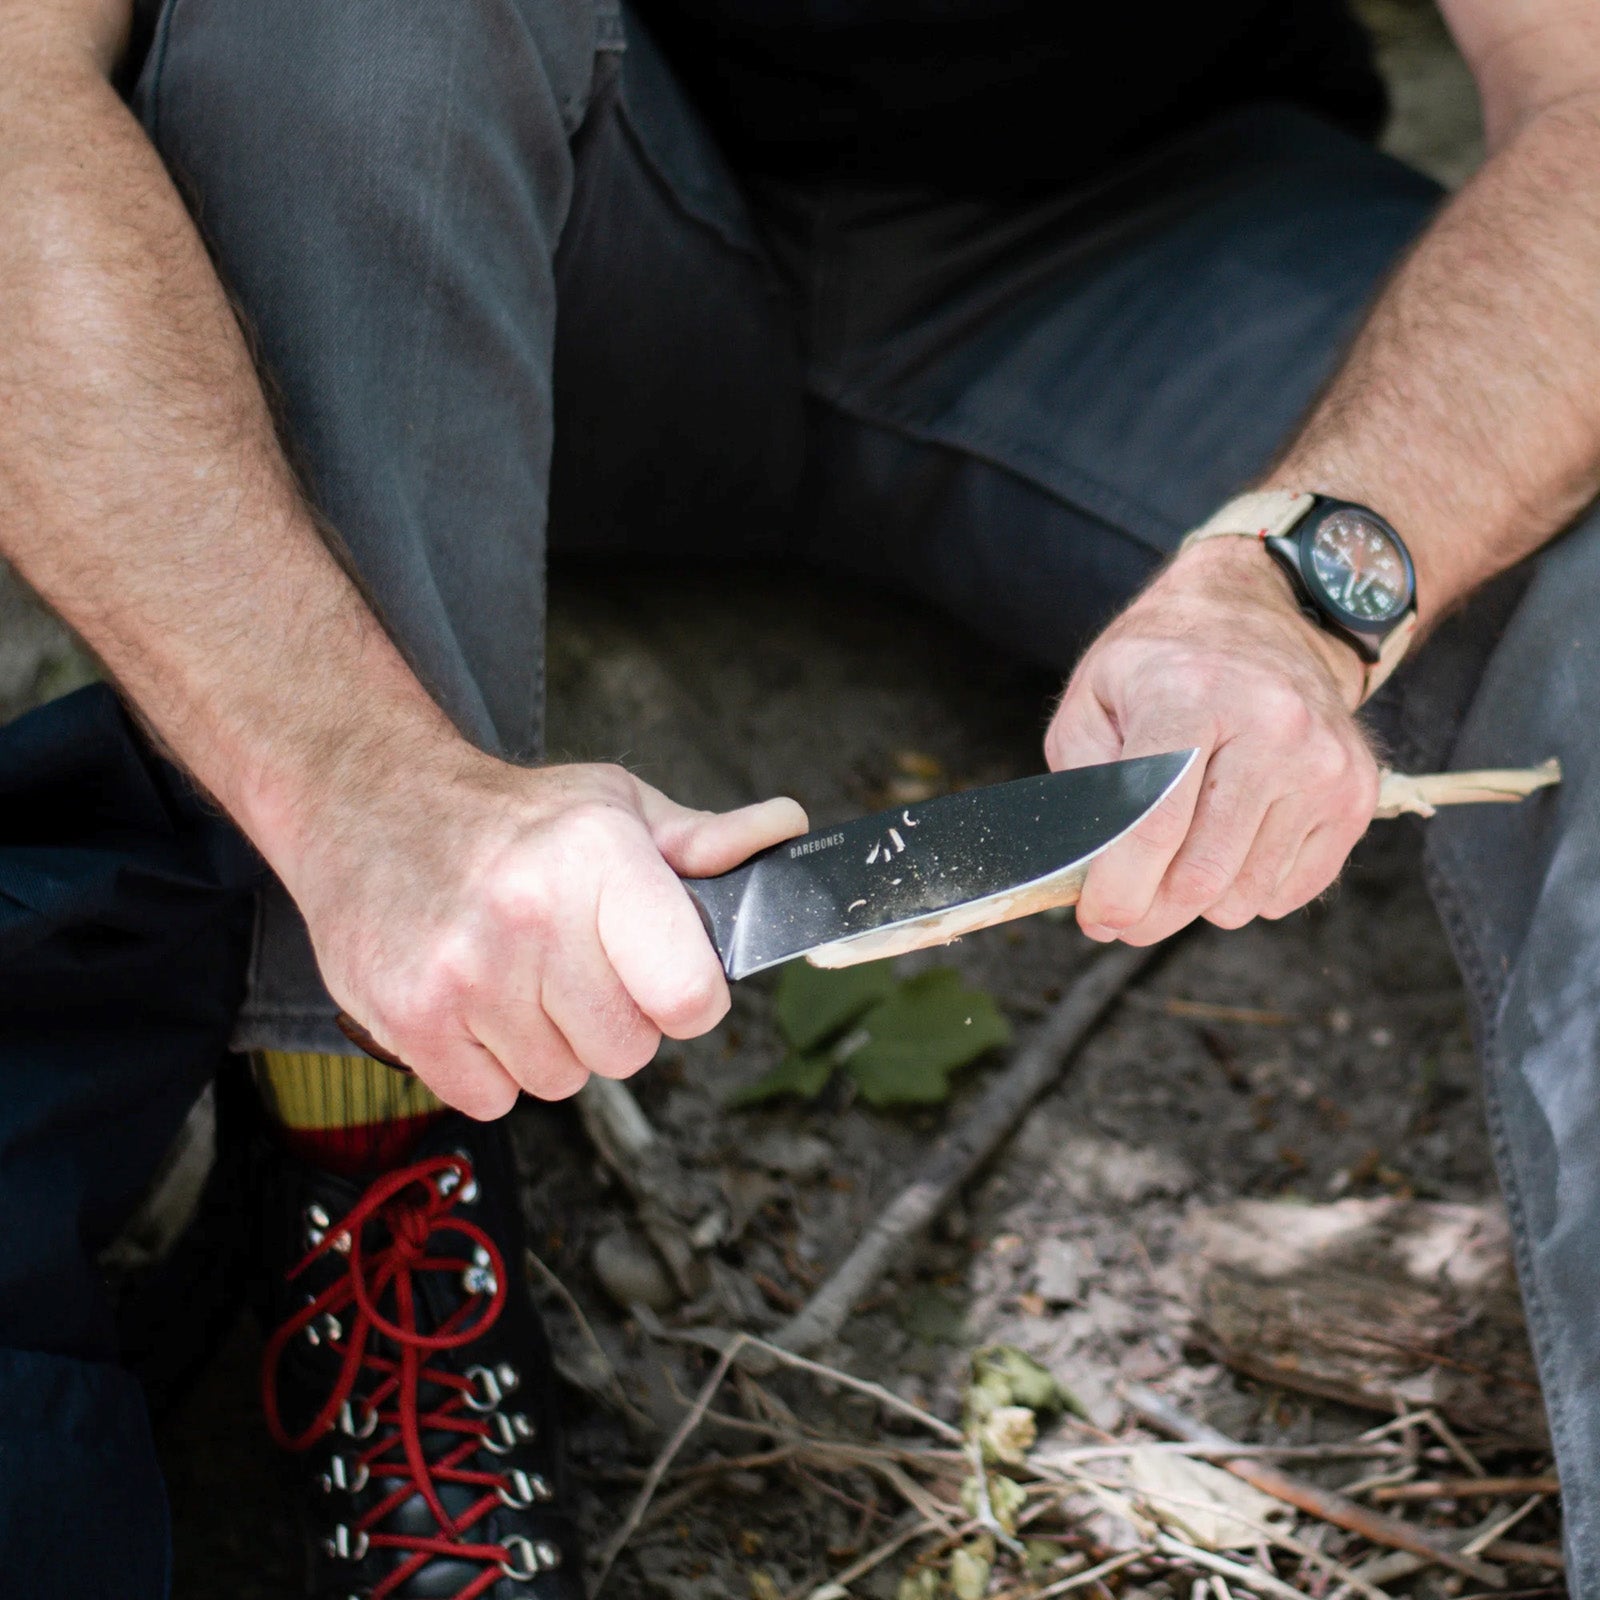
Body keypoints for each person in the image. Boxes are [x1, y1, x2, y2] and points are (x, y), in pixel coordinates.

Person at [2, 0, 1597, 1593]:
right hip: (557, 218)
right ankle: (374, 1161)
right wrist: (356, 780)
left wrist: (1305, 586)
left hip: (1164, 249)